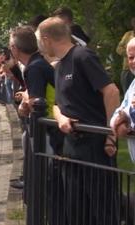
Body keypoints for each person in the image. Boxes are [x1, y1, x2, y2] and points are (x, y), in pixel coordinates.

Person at [37, 17, 120, 224]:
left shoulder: (82, 56)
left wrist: (110, 135)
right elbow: (57, 104)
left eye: (39, 40)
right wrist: (61, 118)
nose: (39, 46)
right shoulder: (59, 66)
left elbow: (111, 91)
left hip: (94, 147)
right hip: (71, 148)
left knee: (103, 210)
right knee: (76, 210)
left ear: (47, 39)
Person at [111, 37, 135, 162]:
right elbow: (119, 111)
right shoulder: (133, 85)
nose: (134, 61)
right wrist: (119, 122)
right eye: (131, 57)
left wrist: (128, 119)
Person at [116, 17, 135, 93]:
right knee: (128, 93)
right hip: (127, 69)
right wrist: (130, 54)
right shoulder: (128, 35)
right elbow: (118, 49)